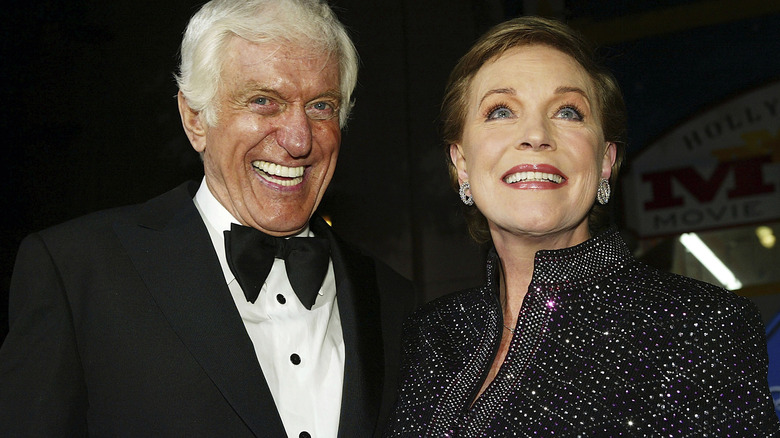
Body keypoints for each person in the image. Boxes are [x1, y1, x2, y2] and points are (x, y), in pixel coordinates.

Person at [0, 0, 413, 436]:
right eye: (263, 101)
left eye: (321, 106)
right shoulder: (78, 272)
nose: (298, 139)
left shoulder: (393, 299)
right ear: (195, 119)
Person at [384, 16, 780, 437]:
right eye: (501, 111)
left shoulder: (704, 327)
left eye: (568, 112)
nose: (536, 134)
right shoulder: (426, 336)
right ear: (461, 161)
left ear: (605, 160)